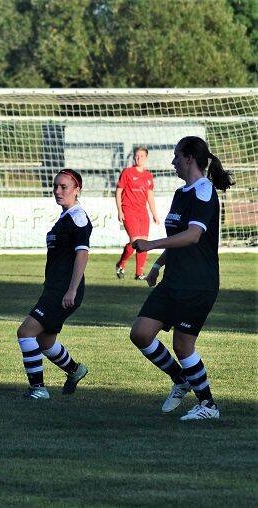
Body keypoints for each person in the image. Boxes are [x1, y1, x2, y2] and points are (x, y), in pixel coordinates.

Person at [130, 136, 234, 421]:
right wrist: (157, 264)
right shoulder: (181, 193)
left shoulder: (204, 190)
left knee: (183, 345)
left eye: (176, 156)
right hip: (174, 280)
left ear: (189, 158)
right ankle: (181, 379)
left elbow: (193, 235)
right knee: (140, 333)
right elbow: (179, 236)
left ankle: (208, 405)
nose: (173, 161)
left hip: (198, 282)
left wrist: (151, 245)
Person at [16, 169, 91, 400]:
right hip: (55, 288)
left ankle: (38, 389)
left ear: (77, 190)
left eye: (63, 187)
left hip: (63, 290)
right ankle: (75, 370)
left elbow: (82, 254)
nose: (57, 191)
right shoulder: (66, 217)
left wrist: (72, 289)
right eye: (55, 186)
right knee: (45, 342)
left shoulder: (78, 217)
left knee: (26, 332)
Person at [115, 147, 160, 280]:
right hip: (128, 210)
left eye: (141, 156)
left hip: (142, 213)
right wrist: (119, 210)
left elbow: (150, 196)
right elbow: (118, 191)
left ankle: (139, 273)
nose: (139, 158)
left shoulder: (148, 175)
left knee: (143, 243)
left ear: (146, 158)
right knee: (135, 241)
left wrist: (154, 214)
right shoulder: (127, 172)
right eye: (136, 156)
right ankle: (121, 264)